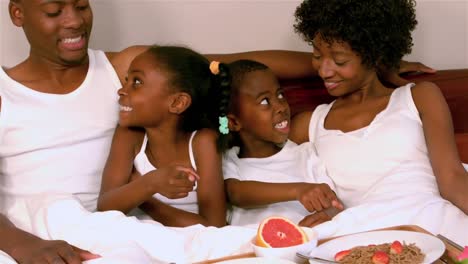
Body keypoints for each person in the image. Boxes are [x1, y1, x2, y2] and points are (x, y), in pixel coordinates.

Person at [0, 0, 435, 263]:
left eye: (82, 5)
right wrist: (23, 246)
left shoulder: (122, 69)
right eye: (55, 11)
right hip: (34, 232)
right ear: (17, 14)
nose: (75, 21)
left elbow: (222, 65)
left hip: (121, 226)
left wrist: (366, 63)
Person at [290, 0, 468, 245]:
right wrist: (333, 212)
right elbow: (237, 74)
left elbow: (453, 179)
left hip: (436, 225)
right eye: (317, 57)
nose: (324, 71)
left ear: (374, 56)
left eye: (339, 61)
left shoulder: (419, 97)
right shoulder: (309, 124)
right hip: (368, 238)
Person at [97, 45, 230, 227]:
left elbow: (214, 227)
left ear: (177, 102)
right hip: (138, 237)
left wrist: (146, 196)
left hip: (189, 242)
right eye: (126, 80)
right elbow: (105, 207)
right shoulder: (128, 134)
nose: (121, 90)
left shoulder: (203, 142)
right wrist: (150, 183)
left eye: (136, 82)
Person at [221, 59, 344, 227]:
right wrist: (297, 190)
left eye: (280, 95)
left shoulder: (305, 154)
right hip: (254, 248)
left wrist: (328, 213)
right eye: (265, 101)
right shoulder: (228, 161)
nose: (281, 106)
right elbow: (236, 194)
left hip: (304, 242)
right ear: (233, 122)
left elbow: (333, 203)